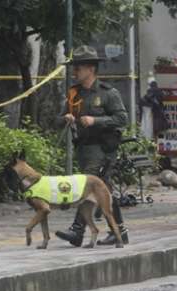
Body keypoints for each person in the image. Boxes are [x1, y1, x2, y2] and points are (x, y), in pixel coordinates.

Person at [54, 45, 130, 247]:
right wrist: (66, 118)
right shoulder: (74, 94)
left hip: (103, 149)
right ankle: (119, 232)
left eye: (78, 68)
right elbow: (57, 119)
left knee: (87, 187)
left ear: (90, 69)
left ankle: (77, 230)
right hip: (84, 148)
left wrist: (96, 121)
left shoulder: (108, 93)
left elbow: (122, 118)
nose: (74, 72)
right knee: (104, 190)